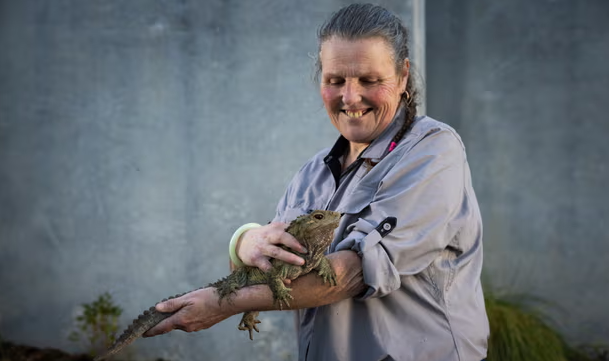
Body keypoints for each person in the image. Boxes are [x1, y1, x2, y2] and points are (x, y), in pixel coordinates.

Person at [144, 4, 489, 360]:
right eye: (335, 80)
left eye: (370, 80)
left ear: (402, 77)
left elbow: (356, 273)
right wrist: (244, 242)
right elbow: (266, 266)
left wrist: (225, 304)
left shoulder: (432, 151)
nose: (350, 97)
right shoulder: (313, 173)